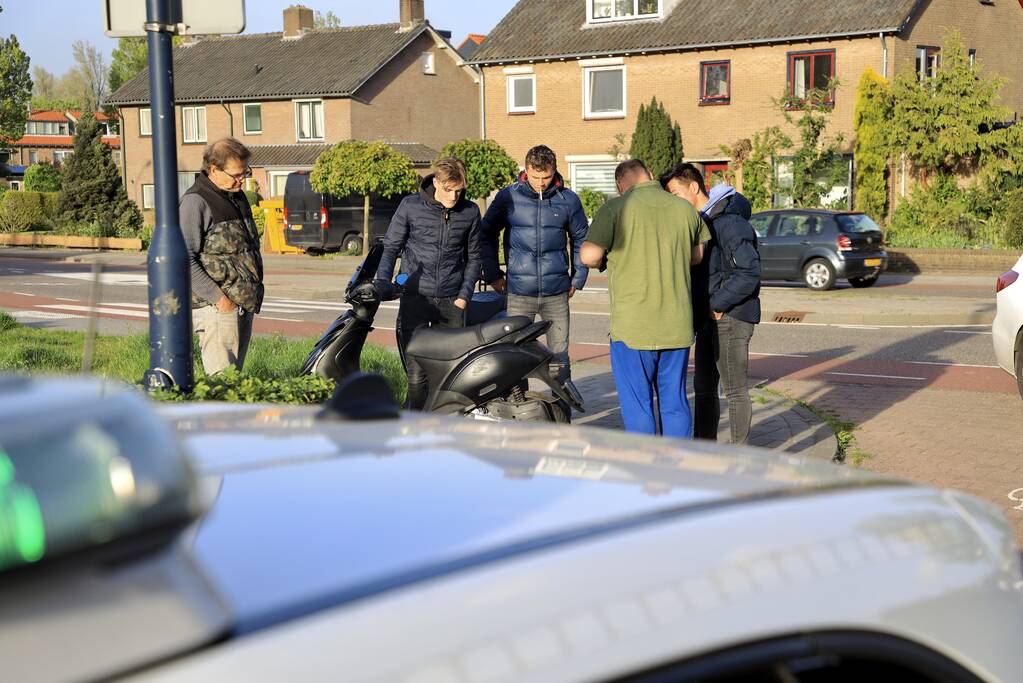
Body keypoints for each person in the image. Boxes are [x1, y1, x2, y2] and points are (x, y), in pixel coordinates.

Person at [580, 160, 709, 436]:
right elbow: (697, 256)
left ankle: (646, 470)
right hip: (676, 325)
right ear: (650, 175)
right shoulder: (684, 209)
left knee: (639, 405)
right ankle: (677, 467)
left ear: (620, 186)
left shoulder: (616, 208)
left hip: (633, 328)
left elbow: (589, 256)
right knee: (675, 401)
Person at [660, 163, 761, 445]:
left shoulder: (729, 222)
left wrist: (716, 305)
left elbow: (749, 272)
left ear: (693, 187)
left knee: (735, 391)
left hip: (730, 317)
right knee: (703, 389)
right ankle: (705, 449)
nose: (675, 201)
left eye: (676, 193)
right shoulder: (701, 222)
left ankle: (738, 456)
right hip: (709, 319)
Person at [376, 156, 481, 410]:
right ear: (435, 182)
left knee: (448, 376)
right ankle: (413, 429)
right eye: (448, 190)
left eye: (458, 190)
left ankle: (443, 429)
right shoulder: (410, 206)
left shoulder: (470, 212)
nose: (454, 197)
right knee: (416, 378)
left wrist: (463, 296)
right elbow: (391, 247)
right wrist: (382, 282)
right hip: (416, 299)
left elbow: (474, 257)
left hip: (451, 301)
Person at [479, 145, 589, 386]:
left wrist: (578, 277)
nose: (541, 183)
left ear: (555, 171)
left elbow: (582, 238)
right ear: (525, 170)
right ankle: (519, 415)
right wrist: (493, 274)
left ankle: (561, 418)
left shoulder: (568, 200)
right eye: (535, 176)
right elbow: (486, 234)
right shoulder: (508, 197)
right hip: (518, 292)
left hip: (557, 293)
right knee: (514, 357)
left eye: (546, 177)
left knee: (559, 359)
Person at [181, 137, 264, 376]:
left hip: (241, 304)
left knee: (234, 382)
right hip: (216, 308)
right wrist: (220, 300)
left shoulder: (236, 196)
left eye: (245, 173)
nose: (242, 180)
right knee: (222, 384)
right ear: (214, 169)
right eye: (236, 174)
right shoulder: (195, 202)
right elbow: (184, 258)